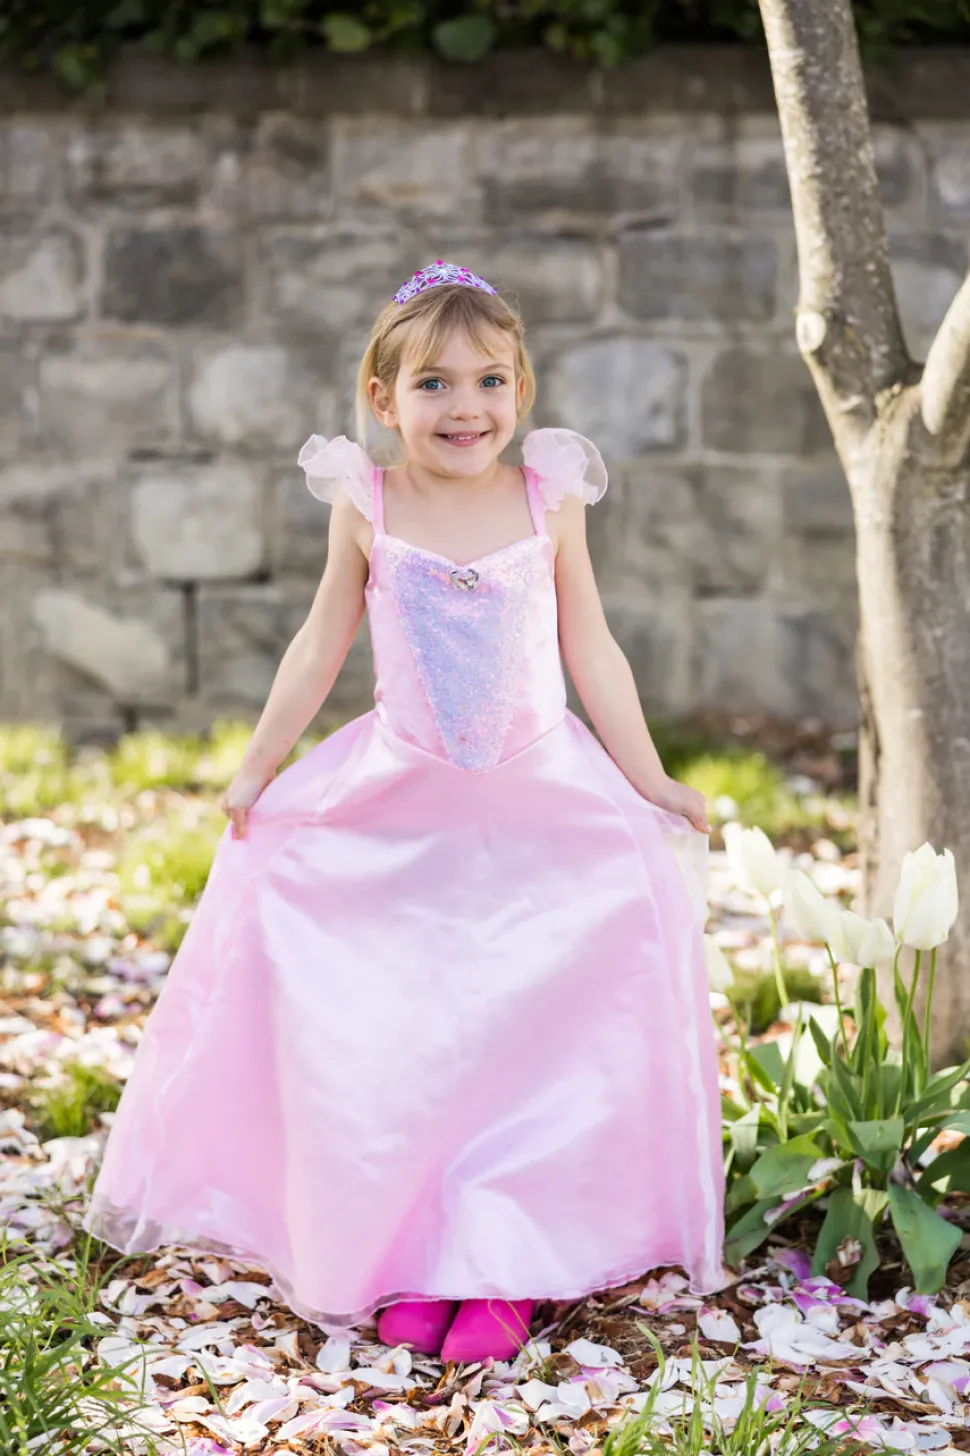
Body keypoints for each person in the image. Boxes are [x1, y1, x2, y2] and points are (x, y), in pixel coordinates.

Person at [83, 260, 728, 1365]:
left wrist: (651, 778)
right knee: (409, 1032)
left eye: (488, 381)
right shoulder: (367, 502)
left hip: (539, 805)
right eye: (433, 384)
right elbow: (319, 642)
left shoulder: (549, 497)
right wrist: (256, 768)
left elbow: (590, 642)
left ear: (520, 389)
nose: (464, 407)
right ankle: (415, 1254)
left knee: (533, 1031)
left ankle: (505, 1258)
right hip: (401, 799)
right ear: (383, 399)